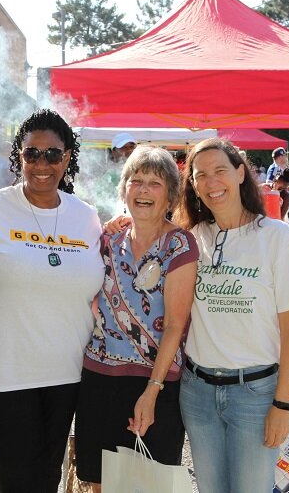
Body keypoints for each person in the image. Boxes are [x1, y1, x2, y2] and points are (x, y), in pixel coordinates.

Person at [0, 109, 105, 493]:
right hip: (4, 375)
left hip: (69, 374)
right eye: (32, 154)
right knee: (20, 481)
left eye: (53, 154)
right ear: (18, 157)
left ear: (68, 158)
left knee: (47, 478)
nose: (42, 164)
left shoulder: (86, 217)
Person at [174, 138, 289, 492]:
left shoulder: (275, 237)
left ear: (240, 174)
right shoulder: (192, 237)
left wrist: (283, 403)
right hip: (197, 392)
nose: (211, 182)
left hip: (255, 393)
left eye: (220, 170)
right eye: (200, 175)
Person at [75, 146, 199, 491]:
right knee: (99, 483)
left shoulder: (179, 245)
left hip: (155, 384)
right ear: (124, 188)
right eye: (136, 180)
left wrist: (152, 391)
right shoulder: (106, 239)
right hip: (99, 380)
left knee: (149, 485)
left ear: (171, 194)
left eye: (155, 183)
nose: (143, 190)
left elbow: (176, 324)